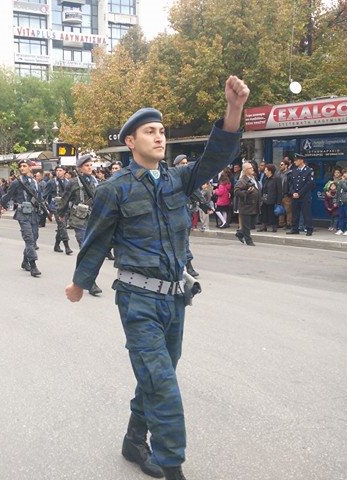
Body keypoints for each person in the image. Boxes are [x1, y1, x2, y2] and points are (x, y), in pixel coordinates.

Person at [65, 75, 249, 480]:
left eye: (162, 131)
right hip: (138, 300)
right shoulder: (113, 189)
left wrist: (233, 110)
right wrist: (80, 282)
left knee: (156, 375)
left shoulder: (176, 180)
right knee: (164, 385)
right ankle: (172, 465)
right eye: (150, 131)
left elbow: (215, 159)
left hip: (175, 299)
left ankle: (133, 440)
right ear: (131, 141)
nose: (160, 137)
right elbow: (96, 241)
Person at [59, 154, 102, 296]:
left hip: (94, 219)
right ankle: (90, 282)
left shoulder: (96, 181)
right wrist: (60, 214)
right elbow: (65, 199)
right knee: (85, 249)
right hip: (80, 219)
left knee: (93, 251)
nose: (89, 168)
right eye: (86, 165)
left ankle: (82, 278)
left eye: (91, 165)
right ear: (80, 168)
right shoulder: (73, 182)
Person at [0, 160, 43, 277]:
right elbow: (8, 195)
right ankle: (33, 265)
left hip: (33, 213)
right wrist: (1, 206)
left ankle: (25, 262)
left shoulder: (35, 182)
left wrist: (46, 211)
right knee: (29, 238)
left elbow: (40, 198)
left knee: (34, 237)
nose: (22, 168)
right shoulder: (16, 182)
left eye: (25, 166)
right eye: (21, 166)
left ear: (30, 168)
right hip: (22, 213)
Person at [286, 153, 314, 236]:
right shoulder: (294, 171)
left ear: (301, 160)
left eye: (296, 160)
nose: (295, 162)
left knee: (306, 213)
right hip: (295, 196)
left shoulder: (309, 170)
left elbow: (309, 184)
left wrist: (299, 193)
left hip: (304, 196)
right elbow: (291, 183)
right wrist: (293, 192)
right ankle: (295, 229)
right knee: (295, 213)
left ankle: (309, 229)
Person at [234, 161, 261, 245]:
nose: (252, 169)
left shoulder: (254, 178)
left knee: (252, 224)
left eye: (252, 168)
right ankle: (249, 241)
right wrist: (246, 192)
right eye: (250, 168)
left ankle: (240, 233)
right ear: (245, 170)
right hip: (246, 206)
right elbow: (236, 191)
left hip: (255, 206)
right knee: (246, 225)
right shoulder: (242, 180)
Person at [49, 165, 73, 255]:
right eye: (57, 170)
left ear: (64, 172)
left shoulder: (68, 182)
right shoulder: (52, 182)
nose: (58, 172)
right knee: (62, 225)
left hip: (66, 207)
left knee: (61, 227)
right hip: (56, 207)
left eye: (60, 170)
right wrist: (48, 209)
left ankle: (56, 245)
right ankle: (67, 246)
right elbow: (45, 195)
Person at [258, 164, 281, 232]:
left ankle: (274, 226)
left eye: (266, 170)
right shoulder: (265, 179)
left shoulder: (276, 178)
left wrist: (278, 201)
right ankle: (264, 226)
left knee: (272, 213)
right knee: (264, 213)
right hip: (265, 199)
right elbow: (263, 189)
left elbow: (279, 191)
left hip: (273, 199)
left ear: (270, 171)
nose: (265, 171)